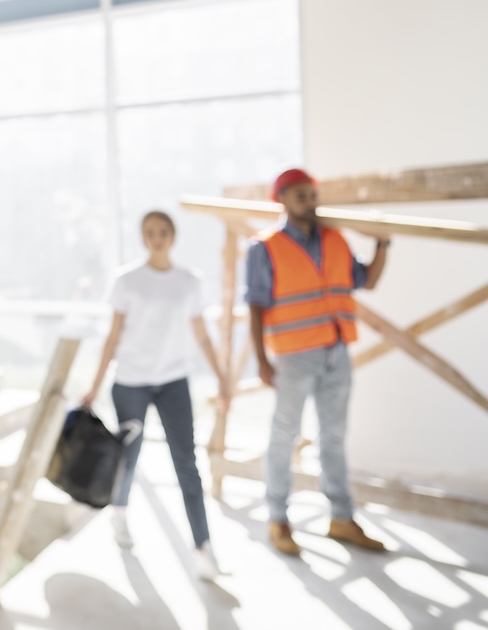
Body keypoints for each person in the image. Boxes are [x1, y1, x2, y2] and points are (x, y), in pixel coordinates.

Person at [248, 168, 390, 556]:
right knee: (284, 435)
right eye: (301, 196)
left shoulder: (335, 239)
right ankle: (278, 518)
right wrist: (261, 359)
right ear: (281, 200)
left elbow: (367, 280)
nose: (309, 202)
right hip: (294, 355)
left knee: (334, 437)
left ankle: (341, 518)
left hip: (336, 350)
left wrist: (382, 244)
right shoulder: (265, 247)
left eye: (312, 195)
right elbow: (256, 307)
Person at [81, 211, 229, 580]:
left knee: (187, 464)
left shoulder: (190, 282)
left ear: (173, 236)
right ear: (143, 237)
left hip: (173, 382)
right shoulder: (127, 281)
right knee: (128, 457)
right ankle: (120, 513)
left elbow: (202, 335)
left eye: (163, 231)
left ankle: (203, 547)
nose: (157, 237)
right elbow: (112, 337)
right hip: (131, 381)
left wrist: (222, 378)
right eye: (150, 232)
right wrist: (94, 386)